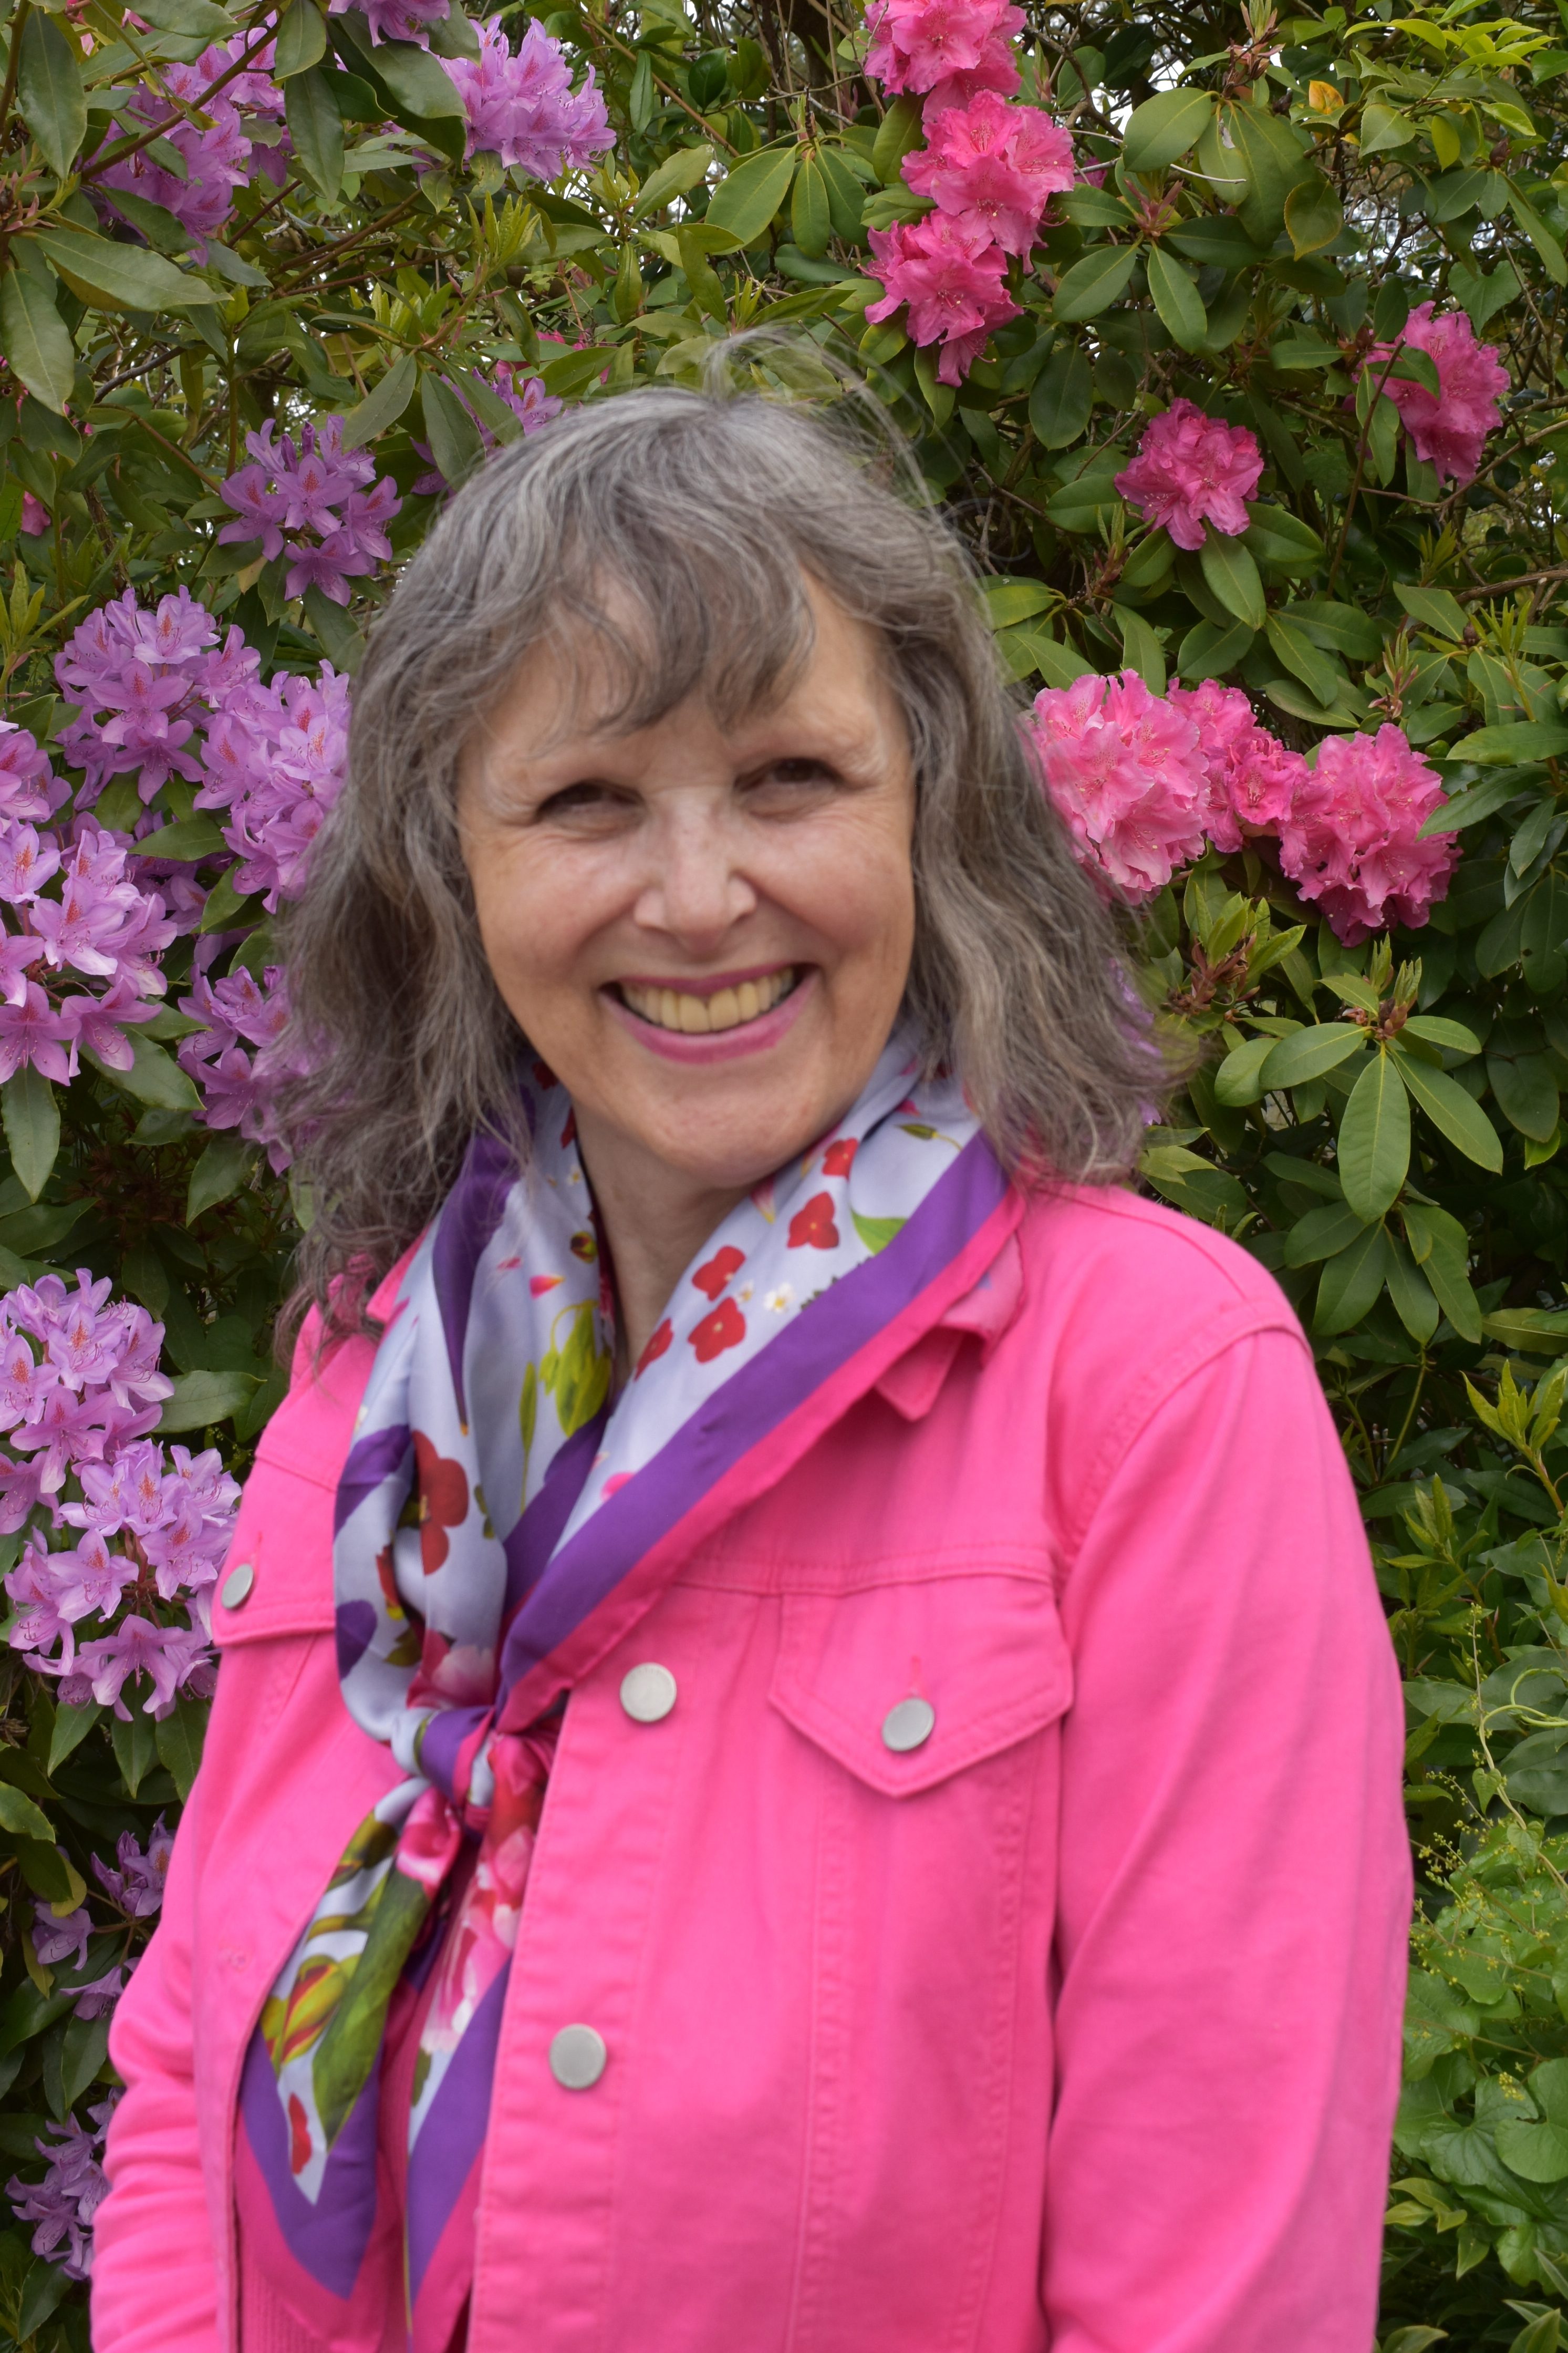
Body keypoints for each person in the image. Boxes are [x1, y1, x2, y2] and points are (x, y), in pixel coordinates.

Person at [91, 385, 1411, 2353]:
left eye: (790, 778)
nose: (698, 895)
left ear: (933, 816)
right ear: (449, 871)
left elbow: (1219, 2279)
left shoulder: (1151, 1389)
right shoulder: (369, 1379)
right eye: (589, 799)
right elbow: (191, 2076)